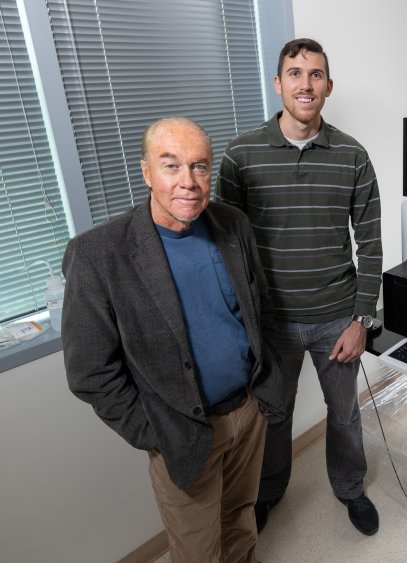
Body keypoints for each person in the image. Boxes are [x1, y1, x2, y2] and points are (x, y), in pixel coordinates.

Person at [62, 117, 281, 562]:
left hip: (247, 412)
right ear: (146, 172)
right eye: (171, 166)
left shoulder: (232, 224)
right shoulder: (99, 255)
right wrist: (153, 431)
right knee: (197, 548)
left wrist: (263, 390)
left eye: (199, 167)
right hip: (182, 432)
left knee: (241, 518)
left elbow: (261, 308)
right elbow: (89, 371)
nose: (189, 182)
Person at [217, 38, 383, 536]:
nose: (305, 84)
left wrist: (361, 321)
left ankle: (350, 488)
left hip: (337, 315)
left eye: (315, 75)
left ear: (328, 86)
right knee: (273, 415)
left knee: (345, 414)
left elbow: (371, 245)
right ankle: (268, 493)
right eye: (295, 73)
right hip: (272, 322)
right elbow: (227, 248)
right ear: (278, 83)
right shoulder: (240, 155)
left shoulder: (353, 156)